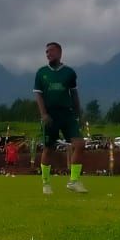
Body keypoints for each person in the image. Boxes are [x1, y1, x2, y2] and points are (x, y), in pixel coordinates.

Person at [34, 42, 87, 195]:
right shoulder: (41, 73)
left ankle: (74, 181)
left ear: (59, 52)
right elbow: (38, 95)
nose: (47, 54)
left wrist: (79, 114)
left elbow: (74, 94)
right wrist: (43, 114)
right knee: (49, 148)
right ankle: (46, 183)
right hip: (51, 115)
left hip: (67, 114)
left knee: (80, 144)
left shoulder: (69, 73)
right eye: (46, 52)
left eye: (50, 51)